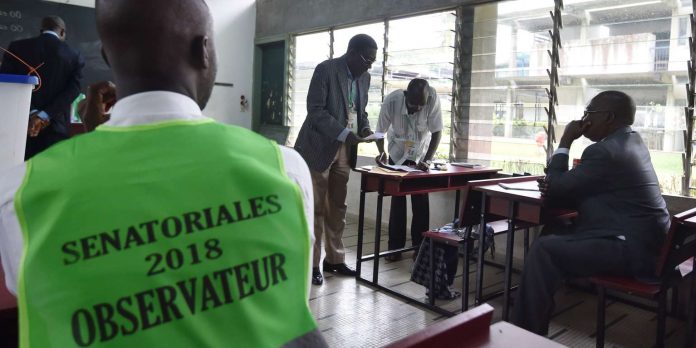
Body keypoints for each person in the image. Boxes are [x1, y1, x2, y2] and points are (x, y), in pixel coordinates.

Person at [0, 0, 327, 346]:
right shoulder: (284, 169)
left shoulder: (19, 191)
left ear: (107, 57)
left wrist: (95, 141)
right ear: (204, 51)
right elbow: (287, 310)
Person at [512, 91, 670, 335]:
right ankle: (533, 311)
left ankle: (524, 335)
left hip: (631, 249)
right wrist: (559, 184)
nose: (583, 120)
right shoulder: (631, 140)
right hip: (648, 242)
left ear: (608, 117)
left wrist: (565, 140)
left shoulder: (603, 152)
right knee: (554, 229)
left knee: (544, 250)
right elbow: (566, 187)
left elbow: (555, 188)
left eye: (588, 113)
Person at [294, 34, 377, 285]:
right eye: (366, 59)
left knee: (338, 207)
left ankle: (335, 259)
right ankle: (312, 262)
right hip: (319, 146)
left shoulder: (365, 77)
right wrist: (343, 133)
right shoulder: (326, 70)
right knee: (316, 207)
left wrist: (364, 130)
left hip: (345, 148)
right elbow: (315, 110)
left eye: (373, 61)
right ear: (352, 52)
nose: (369, 65)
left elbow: (359, 111)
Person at [374, 78, 442, 260]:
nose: (417, 109)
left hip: (420, 157)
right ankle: (395, 249)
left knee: (421, 202)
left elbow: (437, 132)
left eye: (421, 105)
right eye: (413, 104)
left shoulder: (432, 98)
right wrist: (381, 152)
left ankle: (419, 250)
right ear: (406, 95)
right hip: (397, 154)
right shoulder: (392, 101)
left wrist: (427, 160)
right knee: (398, 201)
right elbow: (380, 131)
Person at [0, 16, 84, 159]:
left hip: (17, 126)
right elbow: (74, 90)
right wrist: (43, 115)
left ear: (41, 30)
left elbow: (6, 85)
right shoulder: (74, 55)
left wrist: (32, 112)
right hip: (54, 129)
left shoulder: (16, 47)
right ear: (62, 32)